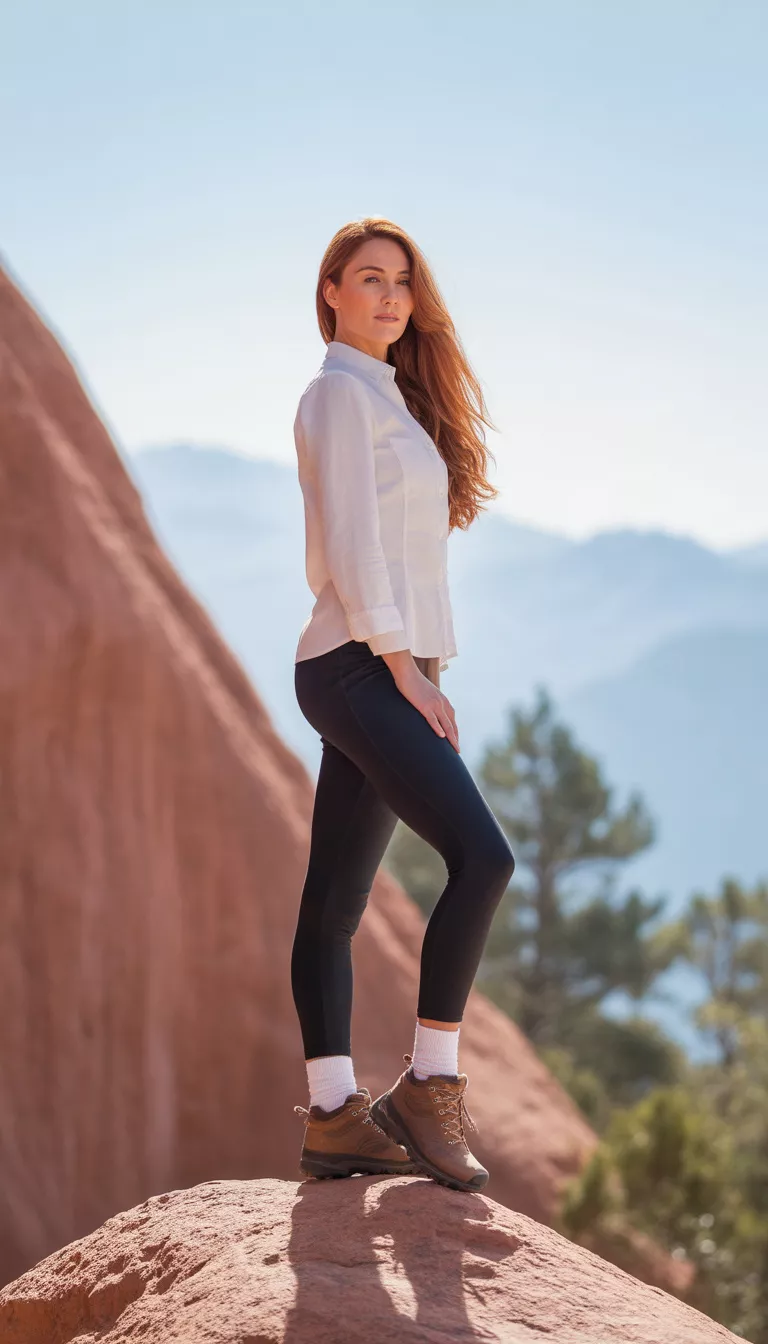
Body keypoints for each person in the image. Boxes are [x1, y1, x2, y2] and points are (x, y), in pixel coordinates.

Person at [291, 217, 516, 1193]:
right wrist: (406, 670)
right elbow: (352, 547)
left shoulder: (386, 395)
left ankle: (336, 1115)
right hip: (358, 666)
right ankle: (429, 1084)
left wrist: (423, 660)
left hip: (379, 664)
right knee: (484, 857)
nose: (390, 297)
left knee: (335, 906)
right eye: (369, 279)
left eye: (403, 283)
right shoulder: (339, 394)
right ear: (331, 291)